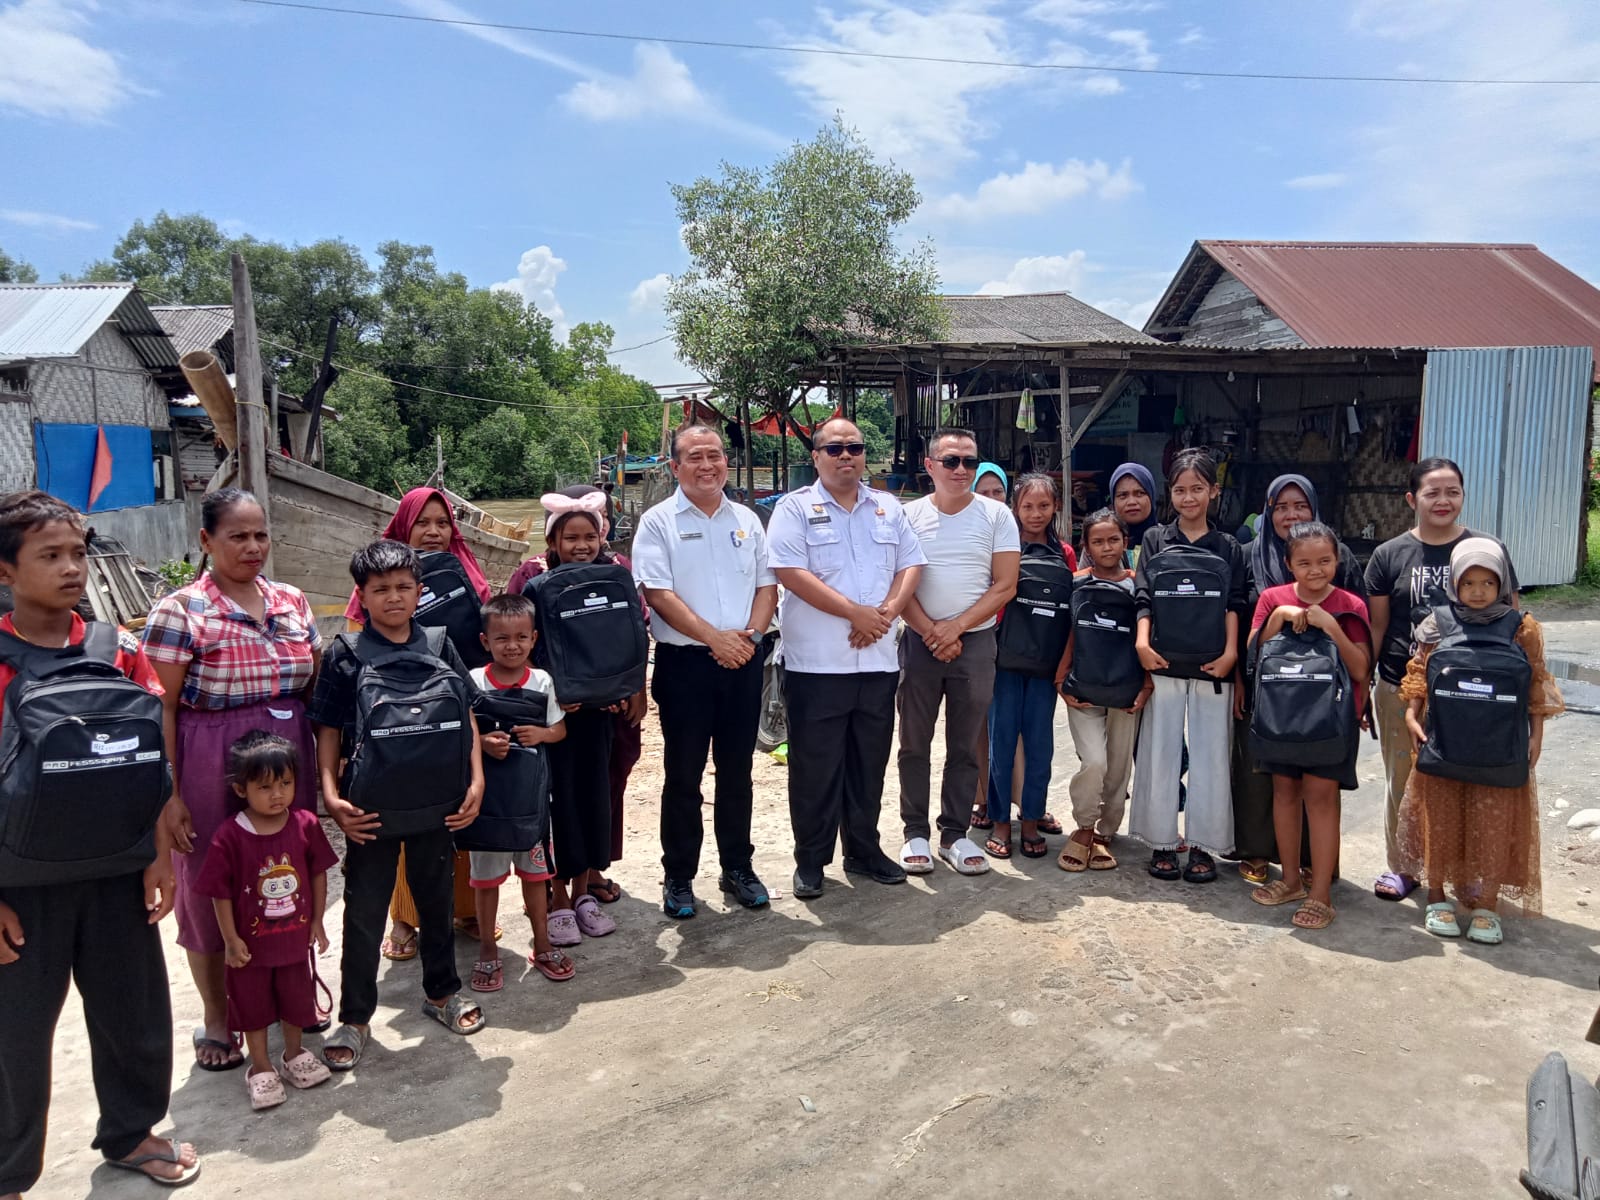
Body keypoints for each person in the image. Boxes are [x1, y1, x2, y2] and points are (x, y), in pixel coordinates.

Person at [0, 490, 201, 1193]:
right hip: (20, 886)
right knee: (15, 1037)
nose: (70, 569)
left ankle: (130, 1133)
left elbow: (148, 760)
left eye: (78, 554)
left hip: (117, 871)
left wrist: (158, 856)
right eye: (48, 556)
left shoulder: (116, 649)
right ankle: (8, 1171)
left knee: (132, 1014)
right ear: (5, 571)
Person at [142, 487, 322, 1072]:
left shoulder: (292, 599)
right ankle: (219, 1019)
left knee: (287, 873)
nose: (252, 547)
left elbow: (315, 685)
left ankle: (294, 997)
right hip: (210, 754)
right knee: (212, 883)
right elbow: (160, 706)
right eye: (237, 536)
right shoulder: (180, 610)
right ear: (206, 541)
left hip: (287, 748)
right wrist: (168, 795)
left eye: (260, 535)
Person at [310, 539, 487, 1070]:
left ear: (419, 591)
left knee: (436, 906)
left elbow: (469, 716)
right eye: (380, 589)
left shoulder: (440, 644)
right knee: (364, 914)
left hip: (440, 803)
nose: (393, 598)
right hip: (370, 810)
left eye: (403, 587)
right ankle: (357, 1016)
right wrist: (331, 796)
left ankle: (441, 994)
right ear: (361, 596)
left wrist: (476, 781)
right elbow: (327, 731)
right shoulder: (345, 653)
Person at [767, 417, 926, 898]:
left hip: (877, 662)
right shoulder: (794, 509)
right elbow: (790, 572)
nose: (845, 456)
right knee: (815, 769)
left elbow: (911, 563)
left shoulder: (887, 508)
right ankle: (811, 861)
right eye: (833, 449)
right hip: (817, 665)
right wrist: (855, 613)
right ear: (815, 457)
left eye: (854, 447)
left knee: (868, 764)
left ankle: (863, 850)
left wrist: (889, 613)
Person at [632, 424, 779, 918]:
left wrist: (751, 640)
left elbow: (766, 587)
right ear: (676, 467)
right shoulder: (658, 522)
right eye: (695, 457)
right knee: (683, 775)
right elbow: (658, 595)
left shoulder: (747, 520)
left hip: (743, 660)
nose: (707, 465)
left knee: (737, 773)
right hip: (685, 666)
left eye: (714, 455)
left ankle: (738, 866)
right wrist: (714, 639)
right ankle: (679, 877)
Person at [346, 488, 493, 966]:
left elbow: (487, 640)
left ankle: (465, 908)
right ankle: (405, 919)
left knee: (461, 813)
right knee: (408, 811)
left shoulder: (468, 574)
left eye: (442, 522)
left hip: (459, 706)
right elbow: (354, 645)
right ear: (403, 527)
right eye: (422, 523)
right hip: (396, 717)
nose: (433, 532)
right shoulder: (380, 580)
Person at [1364, 458, 1518, 902]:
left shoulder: (1488, 549)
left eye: (1452, 491)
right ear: (1413, 499)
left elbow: (1511, 618)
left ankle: (1465, 870)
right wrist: (1365, 686)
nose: (1443, 500)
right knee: (1404, 780)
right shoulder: (1389, 555)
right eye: (1433, 492)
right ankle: (1404, 866)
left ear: (1463, 495)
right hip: (1399, 684)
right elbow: (1378, 627)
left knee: (1466, 779)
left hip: (1475, 693)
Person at [1398, 539, 1560, 944]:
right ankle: (1437, 896)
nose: (1477, 591)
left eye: (1487, 582)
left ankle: (1486, 905)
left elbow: (1536, 682)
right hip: (1444, 745)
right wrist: (1410, 713)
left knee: (1492, 823)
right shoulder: (1436, 623)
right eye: (1467, 582)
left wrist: (1536, 735)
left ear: (1502, 583)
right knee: (1441, 819)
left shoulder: (1522, 627)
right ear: (1454, 582)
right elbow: (1419, 670)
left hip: (1500, 749)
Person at [508, 484, 645, 909]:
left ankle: (591, 871)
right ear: (552, 540)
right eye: (571, 538)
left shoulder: (618, 569)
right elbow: (517, 641)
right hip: (557, 710)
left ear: (602, 534)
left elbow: (634, 632)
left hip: (610, 705)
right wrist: (550, 699)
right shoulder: (532, 575)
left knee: (605, 785)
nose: (582, 546)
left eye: (591, 536)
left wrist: (635, 689)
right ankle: (553, 881)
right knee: (554, 794)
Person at [1232, 474, 1367, 885]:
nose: (1291, 515)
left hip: (1328, 699)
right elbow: (1247, 635)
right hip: (1270, 692)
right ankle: (1268, 861)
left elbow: (1360, 651)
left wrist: (1363, 693)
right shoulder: (1251, 558)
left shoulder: (1344, 578)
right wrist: (1273, 624)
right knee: (1271, 786)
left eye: (1300, 506)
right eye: (1281, 507)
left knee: (1321, 791)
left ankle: (1317, 876)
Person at [897, 427, 1020, 876]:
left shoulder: (996, 515)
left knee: (966, 743)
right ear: (930, 466)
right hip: (920, 641)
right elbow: (899, 582)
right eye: (951, 461)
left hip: (975, 642)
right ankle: (914, 830)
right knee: (914, 742)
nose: (961, 469)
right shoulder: (907, 517)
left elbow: (1005, 584)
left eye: (969, 460)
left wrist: (957, 628)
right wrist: (931, 630)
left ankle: (954, 834)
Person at [195, 732, 337, 1109]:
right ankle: (260, 1068)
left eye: (286, 784)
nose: (278, 794)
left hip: (293, 943)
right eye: (265, 787)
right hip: (249, 949)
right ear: (241, 789)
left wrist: (317, 921)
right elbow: (219, 892)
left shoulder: (305, 824)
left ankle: (294, 1055)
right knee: (253, 1007)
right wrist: (229, 939)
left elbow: (319, 872)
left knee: (296, 1000)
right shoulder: (229, 837)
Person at [1246, 522, 1372, 931]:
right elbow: (1255, 657)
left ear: (1337, 560)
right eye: (1304, 562)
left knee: (1320, 798)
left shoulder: (1351, 604)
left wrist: (1330, 625)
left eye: (1324, 561)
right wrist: (1280, 617)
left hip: (1330, 722)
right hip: (1280, 717)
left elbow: (1359, 669)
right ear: (1288, 564)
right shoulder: (1271, 599)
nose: (1315, 570)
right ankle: (1291, 880)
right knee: (1283, 792)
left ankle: (1321, 893)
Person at [1131, 449, 1246, 883]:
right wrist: (1143, 644)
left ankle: (1204, 846)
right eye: (1180, 489)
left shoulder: (1228, 546)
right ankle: (1161, 843)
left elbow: (1235, 603)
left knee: (1210, 756)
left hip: (1213, 666)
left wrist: (1232, 653)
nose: (1189, 497)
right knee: (1159, 754)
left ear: (1213, 491)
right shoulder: (1156, 541)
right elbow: (1144, 597)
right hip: (1162, 662)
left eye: (1198, 488)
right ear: (1170, 493)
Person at [466, 594, 570, 990]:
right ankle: (488, 952)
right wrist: (484, 744)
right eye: (502, 638)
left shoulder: (542, 681)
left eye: (521, 637)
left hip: (530, 801)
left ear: (534, 638)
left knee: (534, 873)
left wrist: (541, 733)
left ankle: (542, 944)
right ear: (484, 640)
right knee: (486, 879)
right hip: (488, 802)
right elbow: (463, 731)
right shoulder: (473, 682)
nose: (512, 646)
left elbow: (559, 730)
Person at [983, 473, 1072, 860]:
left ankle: (1032, 819)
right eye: (1028, 506)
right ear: (1014, 508)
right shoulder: (1002, 547)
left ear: (1056, 509)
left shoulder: (1065, 554)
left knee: (1040, 745)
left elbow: (1071, 612)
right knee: (1001, 741)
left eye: (1044, 506)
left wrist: (1063, 665)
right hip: (1004, 660)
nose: (1035, 514)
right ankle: (1001, 821)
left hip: (1044, 663)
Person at [1057, 509, 1150, 871]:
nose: (1107, 547)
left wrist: (1145, 684)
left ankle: (1104, 834)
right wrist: (1059, 679)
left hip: (1127, 690)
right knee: (1094, 760)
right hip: (1083, 687)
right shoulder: (1076, 584)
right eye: (1098, 541)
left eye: (1113, 539)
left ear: (1126, 542)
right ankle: (1083, 827)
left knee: (1118, 768)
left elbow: (1147, 636)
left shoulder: (1137, 585)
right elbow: (1067, 635)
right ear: (1087, 546)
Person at [1109, 462, 1158, 568]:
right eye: (1123, 495)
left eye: (1140, 493)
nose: (1131, 502)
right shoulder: (1101, 541)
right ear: (1113, 502)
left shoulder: (1167, 541)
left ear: (1151, 496)